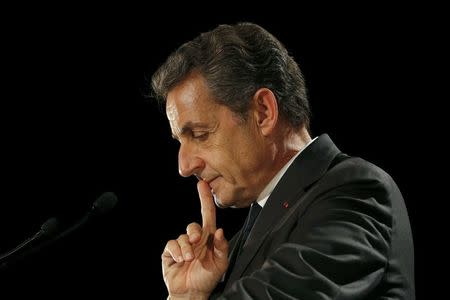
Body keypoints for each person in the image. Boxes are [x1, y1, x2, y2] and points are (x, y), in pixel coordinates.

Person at [151, 22, 415, 299]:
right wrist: (187, 296)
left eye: (200, 134)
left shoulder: (358, 191)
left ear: (263, 112)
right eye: (180, 141)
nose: (183, 166)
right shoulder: (237, 243)